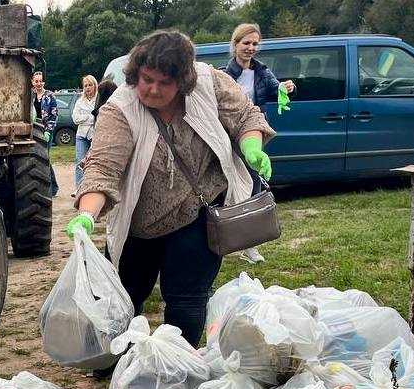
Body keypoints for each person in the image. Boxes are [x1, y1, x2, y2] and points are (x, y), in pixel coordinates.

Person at [66, 29, 275, 347]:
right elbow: (102, 169)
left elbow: (245, 116)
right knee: (124, 296)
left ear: (184, 81)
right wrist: (87, 214)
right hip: (139, 223)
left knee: (187, 301)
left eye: (165, 83)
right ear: (135, 73)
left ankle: (180, 363)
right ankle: (112, 359)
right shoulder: (119, 110)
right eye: (146, 79)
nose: (152, 89)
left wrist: (251, 147)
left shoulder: (209, 83)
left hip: (197, 213)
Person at [224, 23, 296, 123]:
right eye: (246, 43)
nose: (250, 48)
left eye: (255, 44)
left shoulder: (262, 72)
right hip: (231, 129)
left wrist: (287, 88)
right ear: (235, 44)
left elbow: (277, 90)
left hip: (256, 126)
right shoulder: (223, 76)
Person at [31, 71, 59, 195]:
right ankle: (49, 187)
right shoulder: (30, 95)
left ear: (44, 82)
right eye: (36, 81)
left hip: (45, 130)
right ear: (32, 82)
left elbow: (54, 115)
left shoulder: (50, 96)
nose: (38, 83)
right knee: (37, 159)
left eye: (40, 81)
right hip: (32, 131)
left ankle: (52, 188)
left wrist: (48, 131)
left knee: (44, 158)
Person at [71, 75, 98, 188]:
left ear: (95, 86)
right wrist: (89, 117)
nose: (88, 88)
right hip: (81, 135)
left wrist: (86, 117)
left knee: (94, 163)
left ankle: (93, 187)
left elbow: (99, 118)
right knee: (80, 162)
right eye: (85, 85)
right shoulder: (79, 101)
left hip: (95, 135)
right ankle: (79, 188)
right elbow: (75, 118)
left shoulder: (99, 100)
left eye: (90, 85)